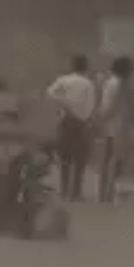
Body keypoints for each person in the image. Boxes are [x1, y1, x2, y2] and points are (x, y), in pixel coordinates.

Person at [46, 55, 98, 201]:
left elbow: (50, 93)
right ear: (86, 67)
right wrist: (86, 117)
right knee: (80, 158)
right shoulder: (88, 84)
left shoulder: (64, 80)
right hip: (82, 123)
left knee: (65, 157)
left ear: (72, 66)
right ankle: (76, 192)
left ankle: (63, 190)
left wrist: (64, 102)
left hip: (66, 120)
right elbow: (91, 106)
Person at [96, 57, 134, 203]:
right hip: (115, 128)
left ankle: (105, 194)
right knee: (112, 161)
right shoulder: (118, 84)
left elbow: (107, 107)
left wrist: (99, 119)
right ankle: (106, 195)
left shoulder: (114, 83)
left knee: (109, 161)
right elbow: (110, 107)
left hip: (113, 128)